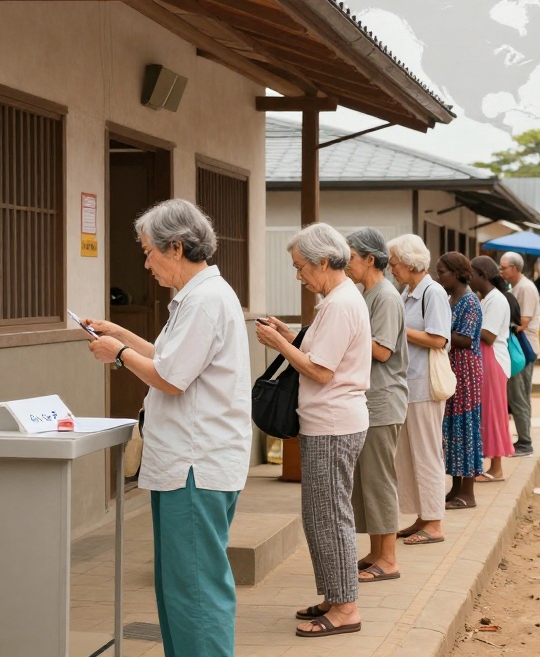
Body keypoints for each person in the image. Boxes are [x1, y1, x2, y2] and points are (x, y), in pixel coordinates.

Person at [83, 199, 250, 654]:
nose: (146, 262)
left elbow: (171, 378)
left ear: (175, 247)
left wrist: (117, 354)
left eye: (148, 251)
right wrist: (123, 336)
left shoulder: (205, 301)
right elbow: (169, 357)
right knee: (180, 587)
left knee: (196, 590)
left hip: (195, 465)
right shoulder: (199, 297)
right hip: (189, 464)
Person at [256, 223, 370, 638]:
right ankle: (334, 595)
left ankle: (345, 608)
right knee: (319, 514)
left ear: (324, 261)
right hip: (330, 422)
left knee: (330, 516)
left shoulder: (340, 304)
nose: (299, 275)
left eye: (301, 266)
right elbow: (321, 354)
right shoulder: (338, 301)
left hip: (333, 423)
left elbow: (320, 370)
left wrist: (280, 344)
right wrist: (288, 336)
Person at [344, 229, 408, 584]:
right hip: (371, 400)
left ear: (370, 258)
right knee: (366, 479)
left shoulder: (385, 296)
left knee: (380, 479)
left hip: (383, 401)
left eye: (351, 256)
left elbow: (382, 350)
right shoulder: (367, 293)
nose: (347, 264)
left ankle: (389, 558)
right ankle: (377, 552)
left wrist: (346, 333)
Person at [386, 234, 450, 547]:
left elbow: (439, 339)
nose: (391, 268)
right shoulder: (407, 292)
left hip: (424, 384)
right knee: (409, 457)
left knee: (426, 454)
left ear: (411, 264)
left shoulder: (432, 293)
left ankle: (434, 522)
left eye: (394, 263)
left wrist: (399, 330)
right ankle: (423, 517)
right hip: (407, 383)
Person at [436, 252, 485, 510]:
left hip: (466, 374)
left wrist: (435, 334)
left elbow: (465, 339)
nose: (438, 276)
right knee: (453, 431)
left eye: (442, 271)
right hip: (452, 372)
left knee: (466, 430)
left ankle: (468, 493)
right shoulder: (449, 298)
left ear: (456, 273)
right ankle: (455, 488)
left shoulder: (470, 302)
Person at [470, 256, 516, 482]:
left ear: (483, 276)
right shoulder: (487, 298)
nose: (469, 279)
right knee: (486, 413)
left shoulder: (496, 300)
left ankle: (496, 468)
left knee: (494, 414)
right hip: (487, 361)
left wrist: (466, 326)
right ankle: (489, 464)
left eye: (472, 275)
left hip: (493, 360)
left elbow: (488, 335)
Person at [499, 252, 539, 456]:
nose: (501, 271)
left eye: (503, 268)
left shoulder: (525, 288)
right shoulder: (516, 287)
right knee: (517, 396)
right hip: (519, 349)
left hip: (523, 349)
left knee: (518, 397)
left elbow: (523, 322)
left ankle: (525, 442)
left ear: (515, 268)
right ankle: (523, 438)